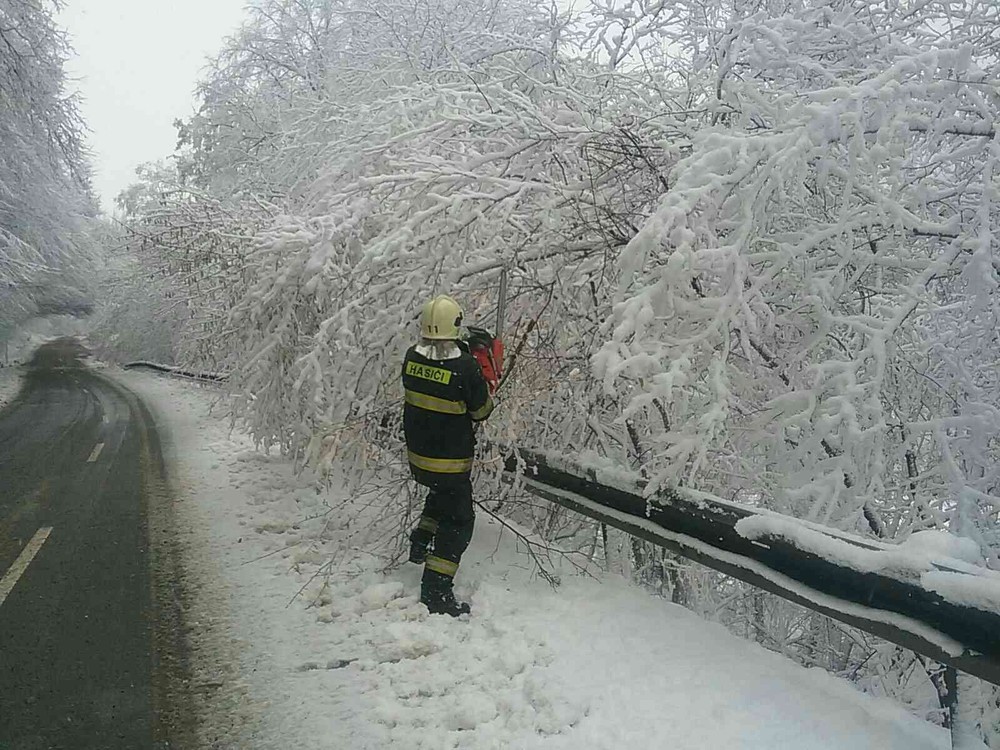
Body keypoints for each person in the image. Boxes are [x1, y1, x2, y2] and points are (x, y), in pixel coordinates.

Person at [401, 294, 497, 616]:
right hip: (450, 463)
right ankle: (436, 592)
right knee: (460, 520)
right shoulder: (466, 367)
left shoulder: (411, 357)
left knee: (443, 495)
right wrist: (483, 370)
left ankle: (420, 543)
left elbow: (439, 373)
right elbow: (482, 410)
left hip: (419, 458)